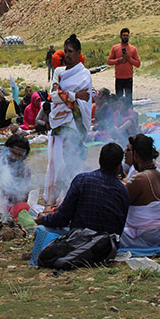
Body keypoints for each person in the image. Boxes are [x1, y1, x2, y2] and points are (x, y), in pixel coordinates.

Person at [35, 143, 130, 237]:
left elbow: (62, 219)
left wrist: (43, 219)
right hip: (108, 246)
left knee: (41, 229)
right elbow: (119, 229)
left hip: (79, 240)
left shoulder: (82, 179)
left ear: (99, 161)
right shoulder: (123, 191)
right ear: (118, 167)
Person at [45, 34, 93, 205]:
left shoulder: (84, 74)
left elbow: (85, 98)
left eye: (70, 51)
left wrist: (64, 94)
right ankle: (53, 198)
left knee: (73, 159)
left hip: (75, 123)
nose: (67, 54)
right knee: (56, 162)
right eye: (65, 51)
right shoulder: (59, 71)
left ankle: (72, 196)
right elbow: (53, 96)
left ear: (78, 52)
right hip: (59, 122)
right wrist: (73, 95)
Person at [119, 134, 160, 248]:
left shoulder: (140, 178)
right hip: (159, 236)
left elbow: (119, 205)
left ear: (137, 156)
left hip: (145, 238)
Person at [107, 28, 141, 106]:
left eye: (127, 35)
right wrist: (118, 60)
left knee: (129, 99)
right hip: (119, 78)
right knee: (118, 100)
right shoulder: (115, 48)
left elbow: (138, 64)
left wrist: (129, 59)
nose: (125, 37)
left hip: (128, 78)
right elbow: (109, 62)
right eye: (124, 35)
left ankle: (130, 115)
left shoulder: (133, 49)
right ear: (120, 36)